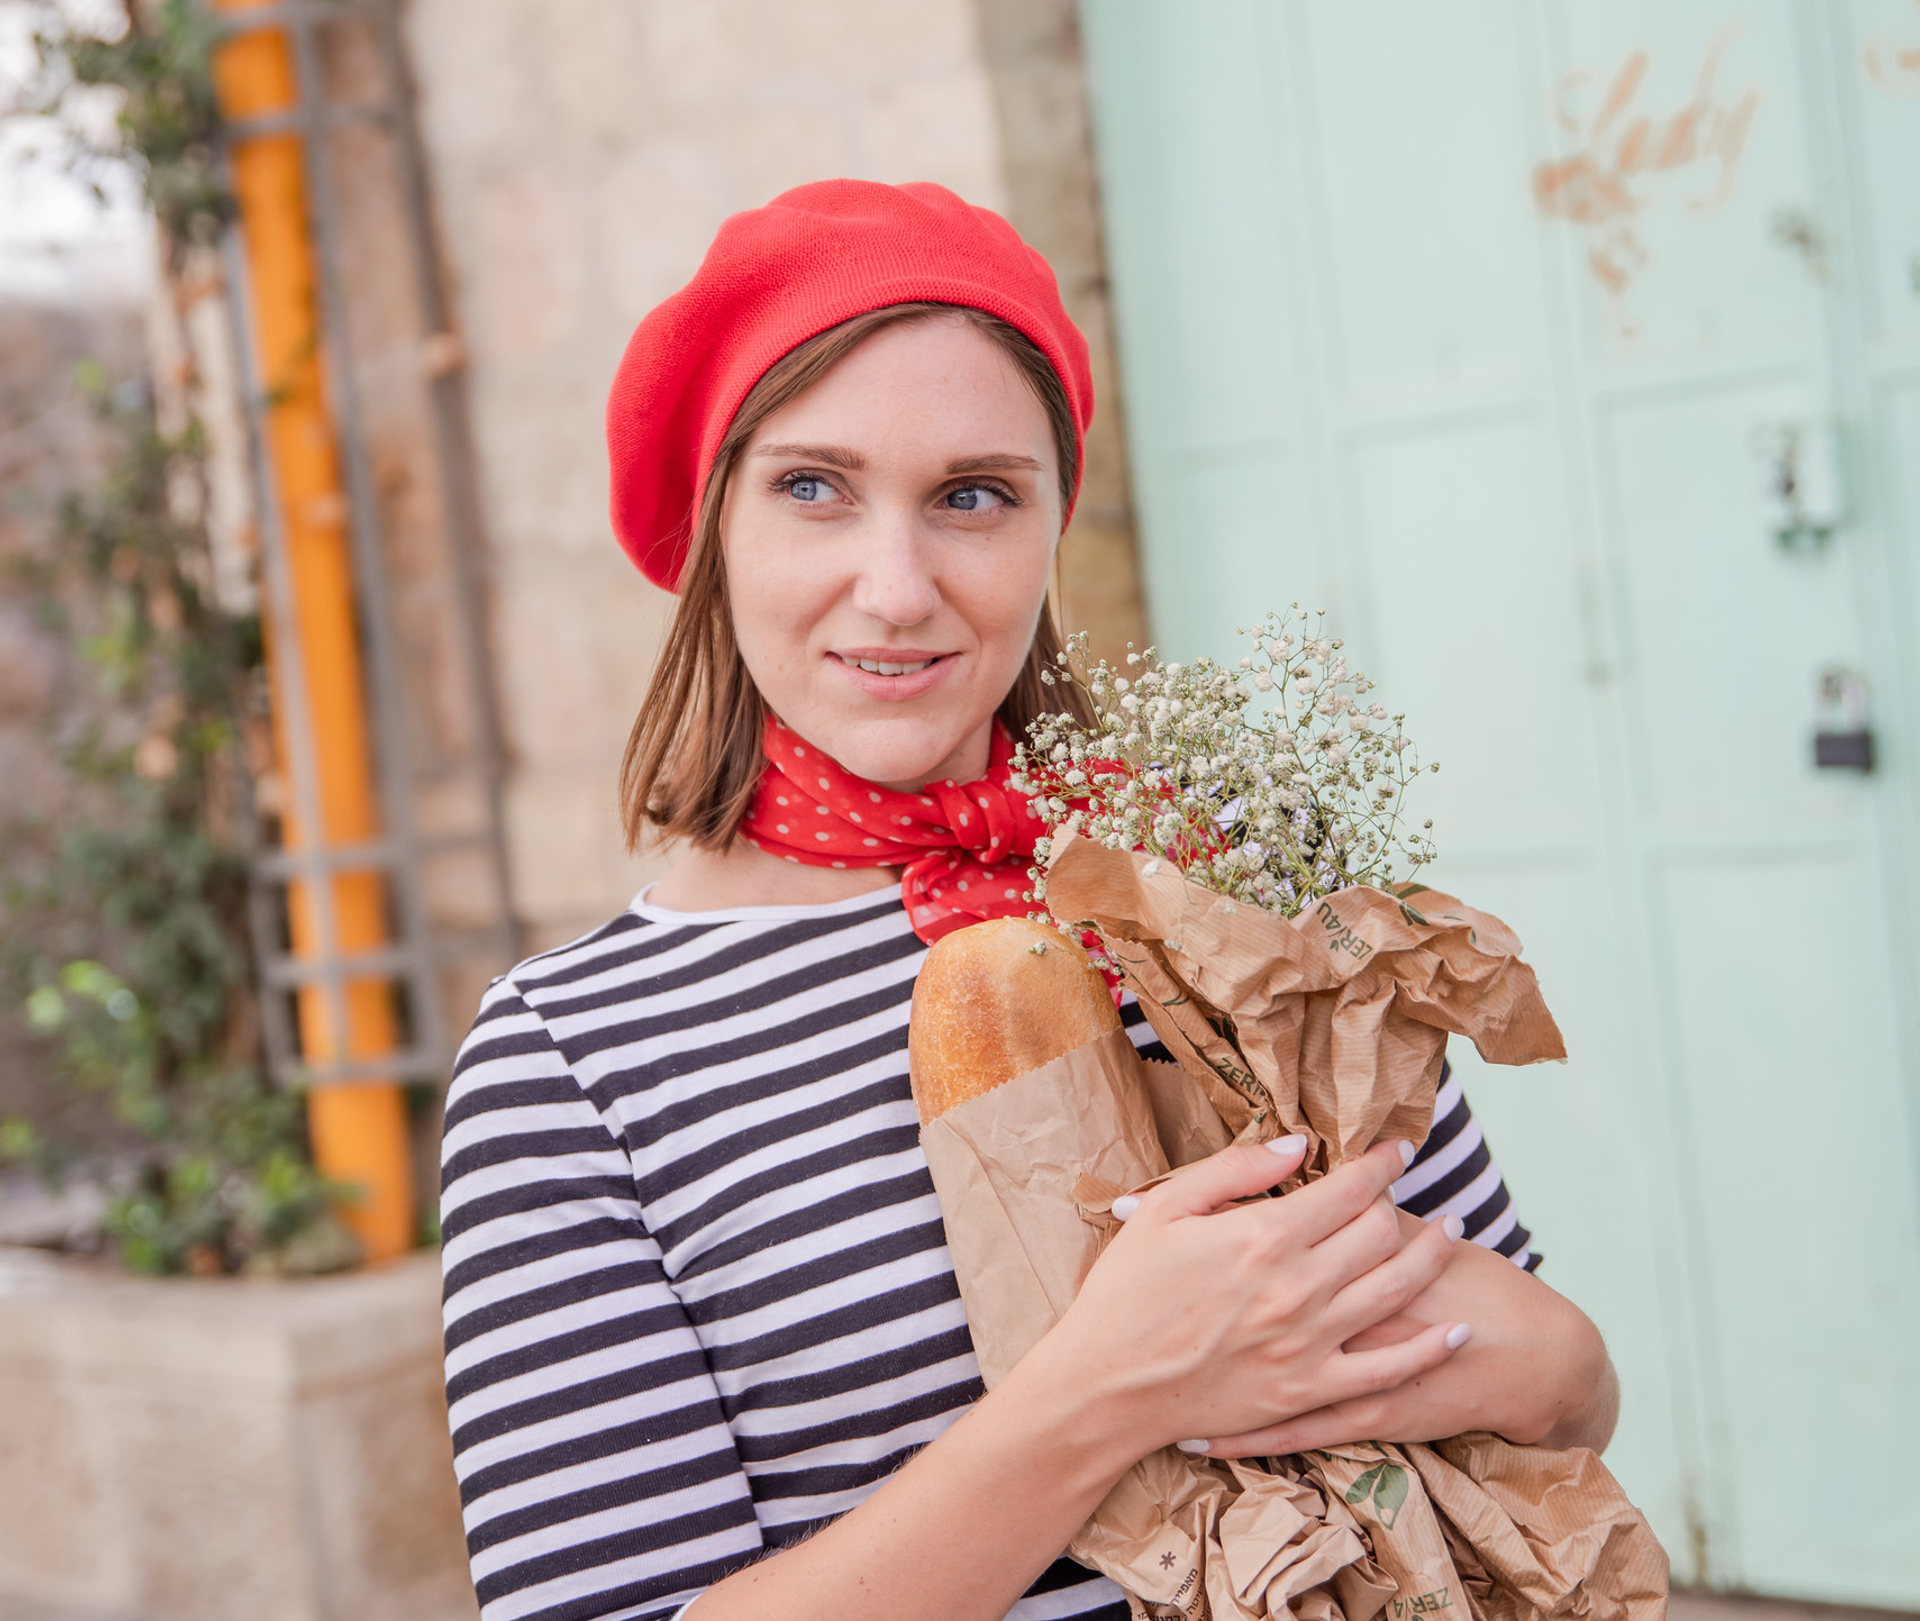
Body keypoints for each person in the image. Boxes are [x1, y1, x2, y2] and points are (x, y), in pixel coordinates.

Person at [439, 181, 1617, 1621]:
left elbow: (1560, 1397)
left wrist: (1524, 1356)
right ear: (712, 530)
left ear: (1053, 524)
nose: (897, 586)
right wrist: (1116, 1387)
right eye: (813, 487)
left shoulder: (1216, 889)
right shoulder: (571, 1060)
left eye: (972, 496)